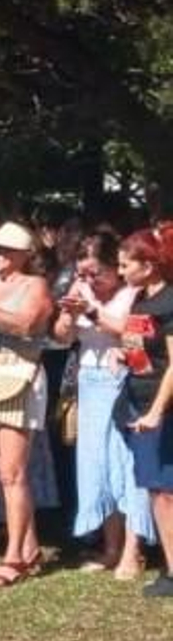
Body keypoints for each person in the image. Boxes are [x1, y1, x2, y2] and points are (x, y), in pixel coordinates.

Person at [53, 233, 153, 579]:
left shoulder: (133, 293)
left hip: (123, 381)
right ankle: (110, 547)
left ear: (115, 267)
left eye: (96, 273)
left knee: (126, 464)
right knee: (97, 465)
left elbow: (128, 330)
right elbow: (62, 336)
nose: (89, 279)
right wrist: (69, 315)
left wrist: (91, 310)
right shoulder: (81, 290)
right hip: (89, 381)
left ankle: (133, 550)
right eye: (82, 273)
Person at [0, 222, 54, 587]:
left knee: (13, 473)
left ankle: (14, 555)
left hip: (19, 378)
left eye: (4, 249)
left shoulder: (35, 285)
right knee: (1, 470)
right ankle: (29, 546)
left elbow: (26, 325)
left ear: (23, 254)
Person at [118, 227, 173, 597]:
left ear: (149, 265)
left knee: (166, 490)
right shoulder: (140, 300)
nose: (121, 271)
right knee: (156, 488)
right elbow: (145, 352)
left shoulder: (169, 302)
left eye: (126, 265)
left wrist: (156, 411)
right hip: (139, 400)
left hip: (162, 408)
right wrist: (125, 355)